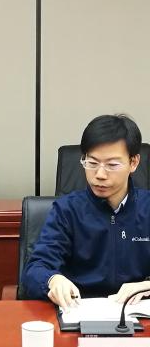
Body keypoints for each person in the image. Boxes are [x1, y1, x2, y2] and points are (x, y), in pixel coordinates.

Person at [22, 114, 150, 308]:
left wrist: (147, 286)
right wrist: (52, 280)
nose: (100, 174)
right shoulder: (67, 210)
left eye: (112, 165)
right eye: (92, 163)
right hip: (79, 310)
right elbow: (35, 269)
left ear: (133, 162)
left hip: (137, 313)